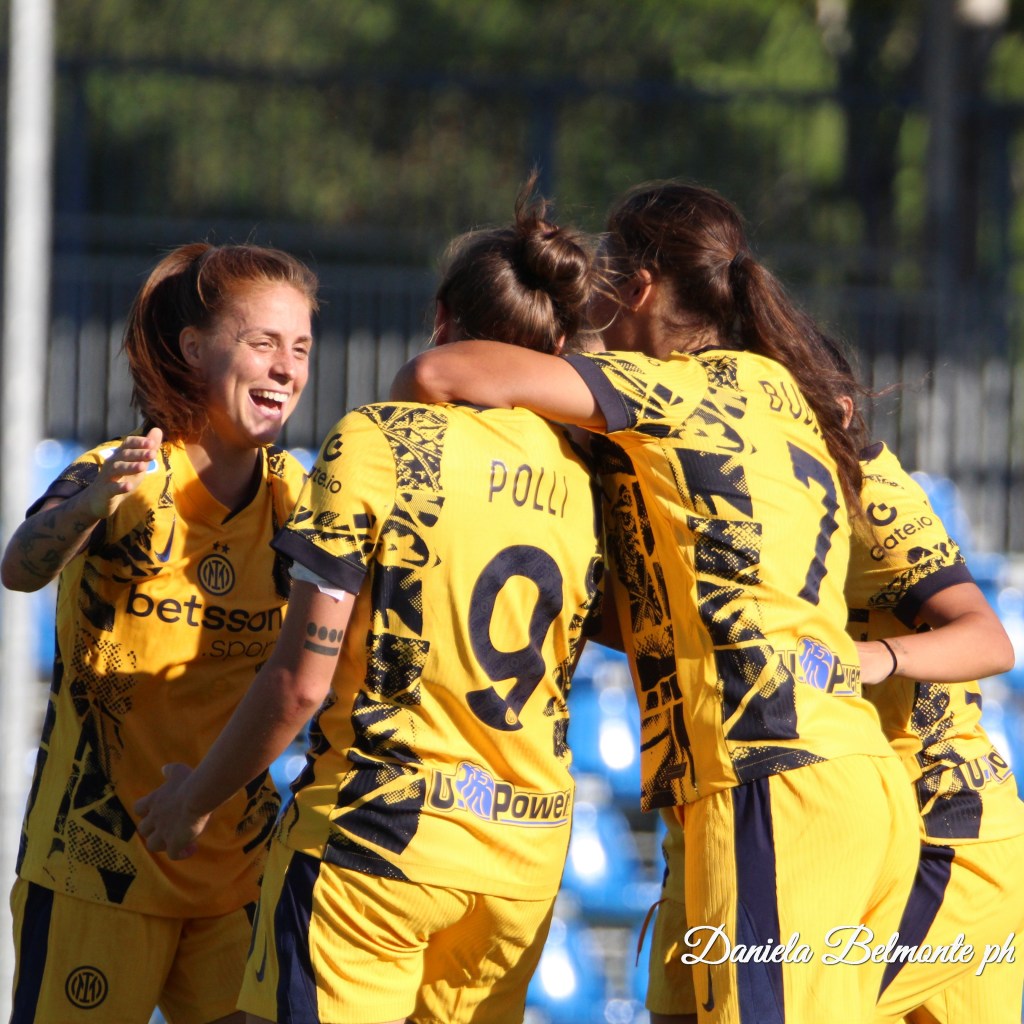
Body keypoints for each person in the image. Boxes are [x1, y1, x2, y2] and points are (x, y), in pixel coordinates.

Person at [391, 180, 922, 1023]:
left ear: (638, 287)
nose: (591, 299)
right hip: (839, 781)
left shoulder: (666, 388)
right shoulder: (777, 386)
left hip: (770, 782)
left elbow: (439, 371)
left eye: (603, 273)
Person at [134, 185, 605, 1024]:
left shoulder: (383, 438)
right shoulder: (587, 478)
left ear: (442, 320)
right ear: (558, 343)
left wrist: (193, 800)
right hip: (524, 861)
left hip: (383, 847)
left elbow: (301, 684)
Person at [640, 338, 1022, 1024]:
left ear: (839, 414)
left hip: (947, 843)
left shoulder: (868, 494)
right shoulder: (738, 500)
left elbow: (989, 639)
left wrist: (876, 658)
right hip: (800, 822)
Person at [1, 242, 318, 1024]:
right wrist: (90, 507)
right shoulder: (125, 471)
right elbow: (20, 565)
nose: (286, 368)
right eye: (264, 343)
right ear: (195, 349)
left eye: (302, 348)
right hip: (94, 868)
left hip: (236, 878)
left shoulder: (298, 499)